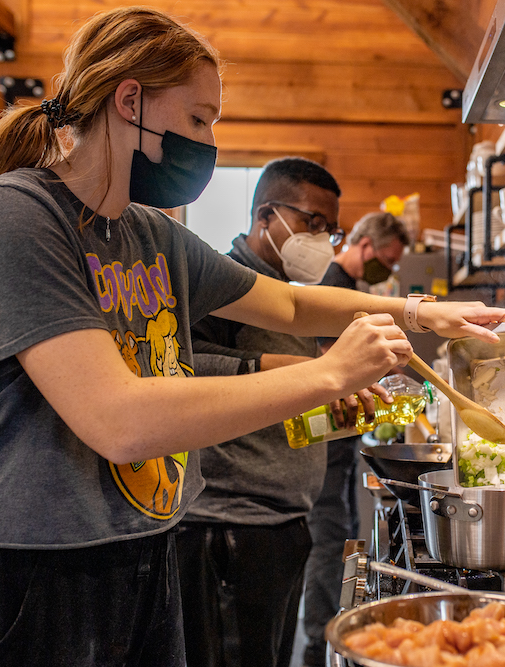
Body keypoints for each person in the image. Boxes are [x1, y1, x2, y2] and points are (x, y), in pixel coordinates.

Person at [0, 7, 505, 666]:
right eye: (198, 119)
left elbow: (290, 302)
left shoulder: (150, 234)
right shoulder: (13, 217)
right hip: (35, 569)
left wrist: (421, 313)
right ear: (129, 99)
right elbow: (118, 418)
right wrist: (329, 374)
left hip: (147, 544)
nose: (207, 143)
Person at [176, 156, 349, 667]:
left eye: (331, 230)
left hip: (281, 522)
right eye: (311, 222)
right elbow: (178, 369)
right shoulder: (222, 283)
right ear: (266, 216)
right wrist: (279, 365)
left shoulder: (285, 297)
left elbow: (280, 400)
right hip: (227, 527)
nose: (321, 239)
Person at [301, 211, 409, 667]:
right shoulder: (332, 284)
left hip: (340, 438)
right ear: (365, 245)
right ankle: (323, 642)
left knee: (342, 533)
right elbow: (329, 365)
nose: (387, 268)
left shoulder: (354, 289)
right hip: (322, 436)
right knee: (330, 538)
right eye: (385, 259)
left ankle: (333, 632)